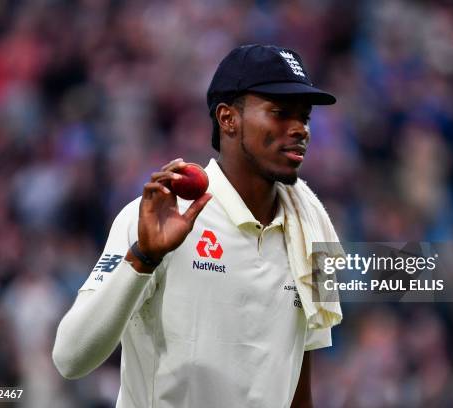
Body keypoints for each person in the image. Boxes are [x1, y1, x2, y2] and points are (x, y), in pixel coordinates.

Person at [52, 44, 343, 408]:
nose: (299, 129)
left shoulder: (311, 231)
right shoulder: (157, 219)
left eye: (305, 117)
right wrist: (144, 257)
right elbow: (70, 358)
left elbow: (299, 376)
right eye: (280, 112)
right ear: (227, 118)